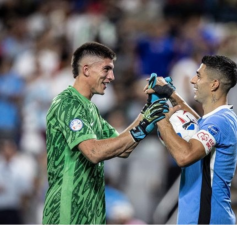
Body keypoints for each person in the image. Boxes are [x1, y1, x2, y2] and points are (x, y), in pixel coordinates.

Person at [42, 42, 169, 224]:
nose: (112, 76)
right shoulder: (67, 103)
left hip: (93, 211)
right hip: (68, 211)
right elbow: (94, 153)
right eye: (106, 69)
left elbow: (122, 148)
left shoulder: (91, 109)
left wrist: (146, 113)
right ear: (86, 70)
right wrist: (142, 122)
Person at [147, 55, 237, 224]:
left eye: (199, 75)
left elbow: (184, 156)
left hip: (206, 218)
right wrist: (170, 93)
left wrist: (160, 119)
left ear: (214, 84)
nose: (192, 80)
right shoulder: (218, 118)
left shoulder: (219, 121)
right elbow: (199, 123)